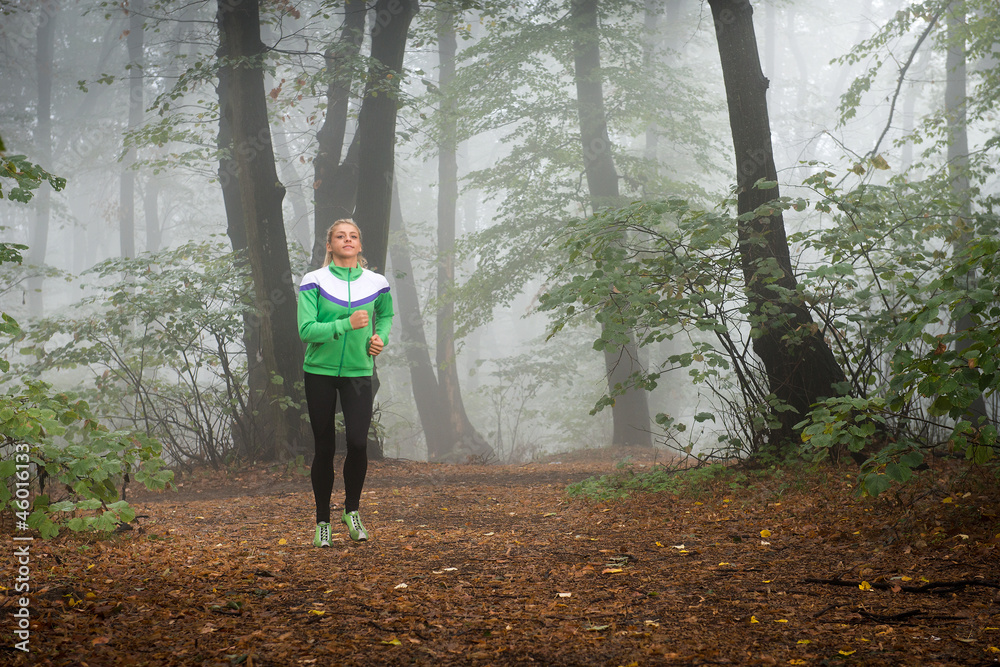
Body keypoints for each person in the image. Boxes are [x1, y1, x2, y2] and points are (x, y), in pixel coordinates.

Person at [297, 219, 393, 546]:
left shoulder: (376, 282)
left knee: (358, 443)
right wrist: (345, 324)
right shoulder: (314, 280)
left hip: (358, 372)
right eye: (340, 236)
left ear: (360, 245)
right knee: (324, 447)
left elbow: (386, 315)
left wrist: (381, 337)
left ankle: (351, 511)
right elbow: (306, 330)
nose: (347, 240)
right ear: (330, 245)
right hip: (319, 372)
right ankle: (322, 521)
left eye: (353, 236)